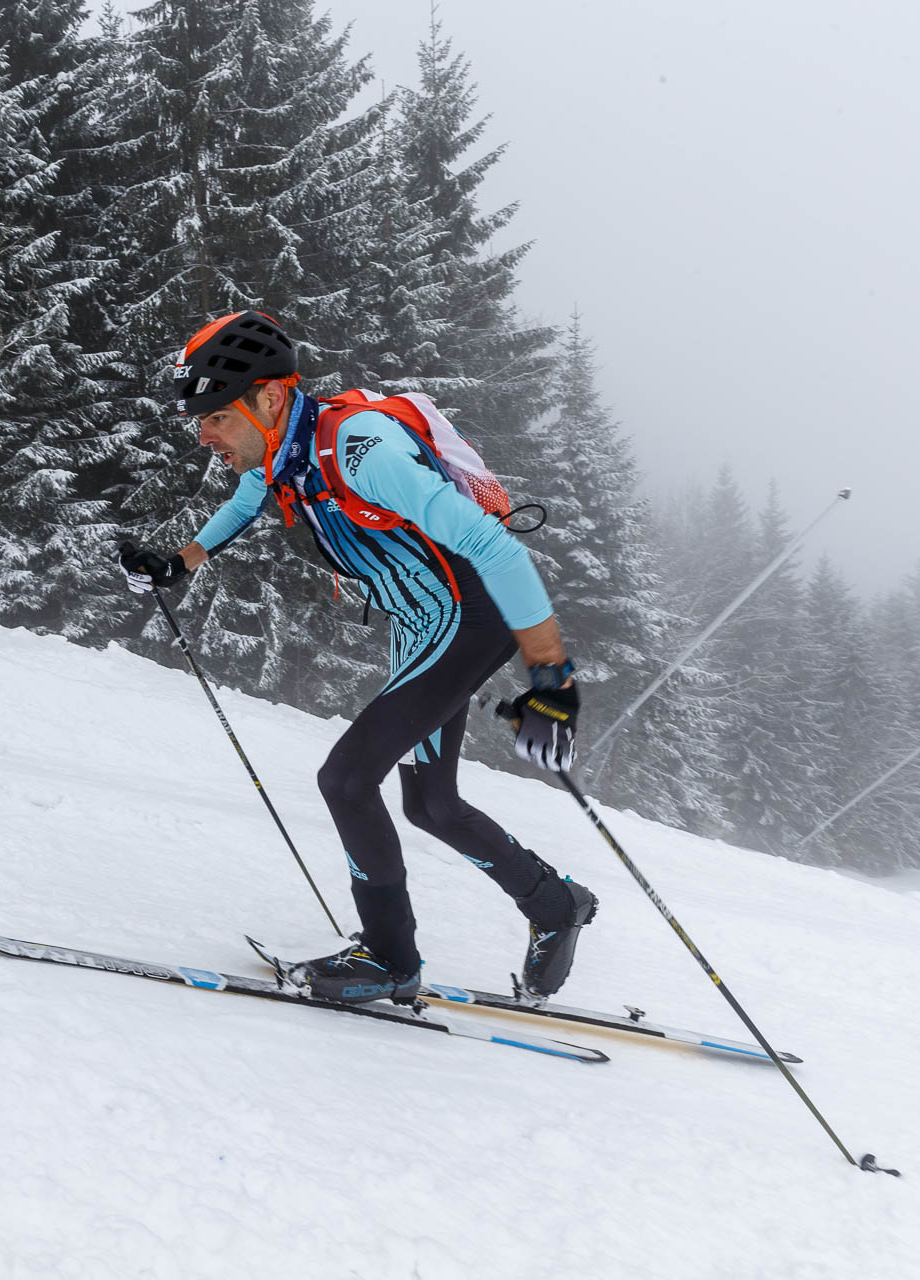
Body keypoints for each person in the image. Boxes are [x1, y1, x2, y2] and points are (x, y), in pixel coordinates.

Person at [121, 310, 594, 1005]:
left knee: (346, 779)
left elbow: (498, 550)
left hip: (467, 616)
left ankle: (390, 958)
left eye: (217, 416)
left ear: (269, 398)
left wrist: (552, 679)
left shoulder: (363, 449)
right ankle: (556, 905)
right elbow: (250, 499)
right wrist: (178, 562)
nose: (205, 434)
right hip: (423, 622)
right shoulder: (284, 454)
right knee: (431, 805)